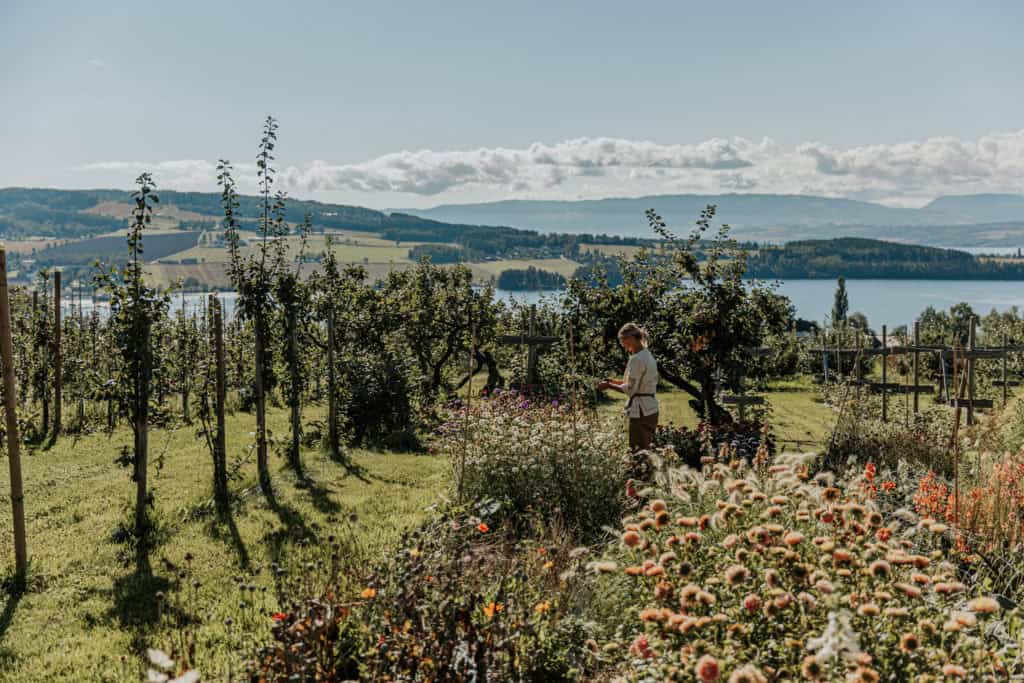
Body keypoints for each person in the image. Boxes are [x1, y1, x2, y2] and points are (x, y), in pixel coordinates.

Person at [597, 322, 660, 450]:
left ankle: (642, 470)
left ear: (630, 338)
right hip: (650, 408)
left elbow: (630, 390)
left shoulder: (637, 359)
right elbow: (633, 384)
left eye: (622, 341)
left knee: (638, 450)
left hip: (641, 411)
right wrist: (612, 381)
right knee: (646, 448)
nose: (623, 345)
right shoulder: (646, 355)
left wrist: (608, 385)